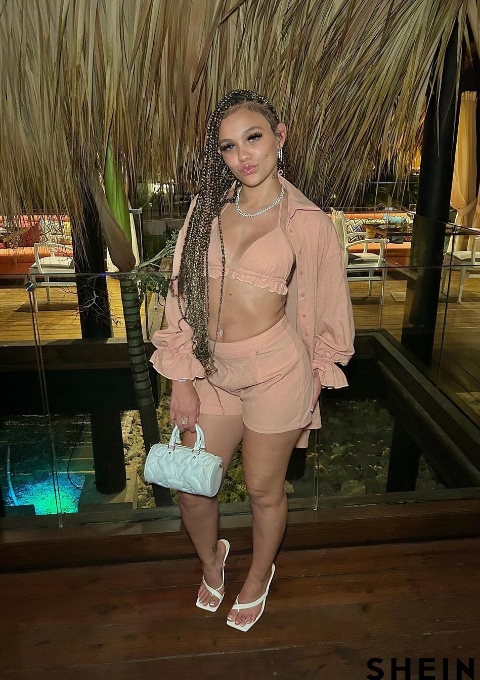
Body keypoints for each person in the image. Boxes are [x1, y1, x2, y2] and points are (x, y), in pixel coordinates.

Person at [150, 89, 355, 631]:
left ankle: (259, 574)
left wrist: (317, 375)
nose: (243, 155)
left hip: (275, 371)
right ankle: (211, 559)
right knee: (192, 488)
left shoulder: (307, 221)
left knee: (265, 489)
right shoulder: (205, 211)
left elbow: (330, 305)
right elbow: (181, 293)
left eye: (254, 137)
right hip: (209, 369)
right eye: (228, 146)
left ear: (279, 136)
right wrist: (181, 377)